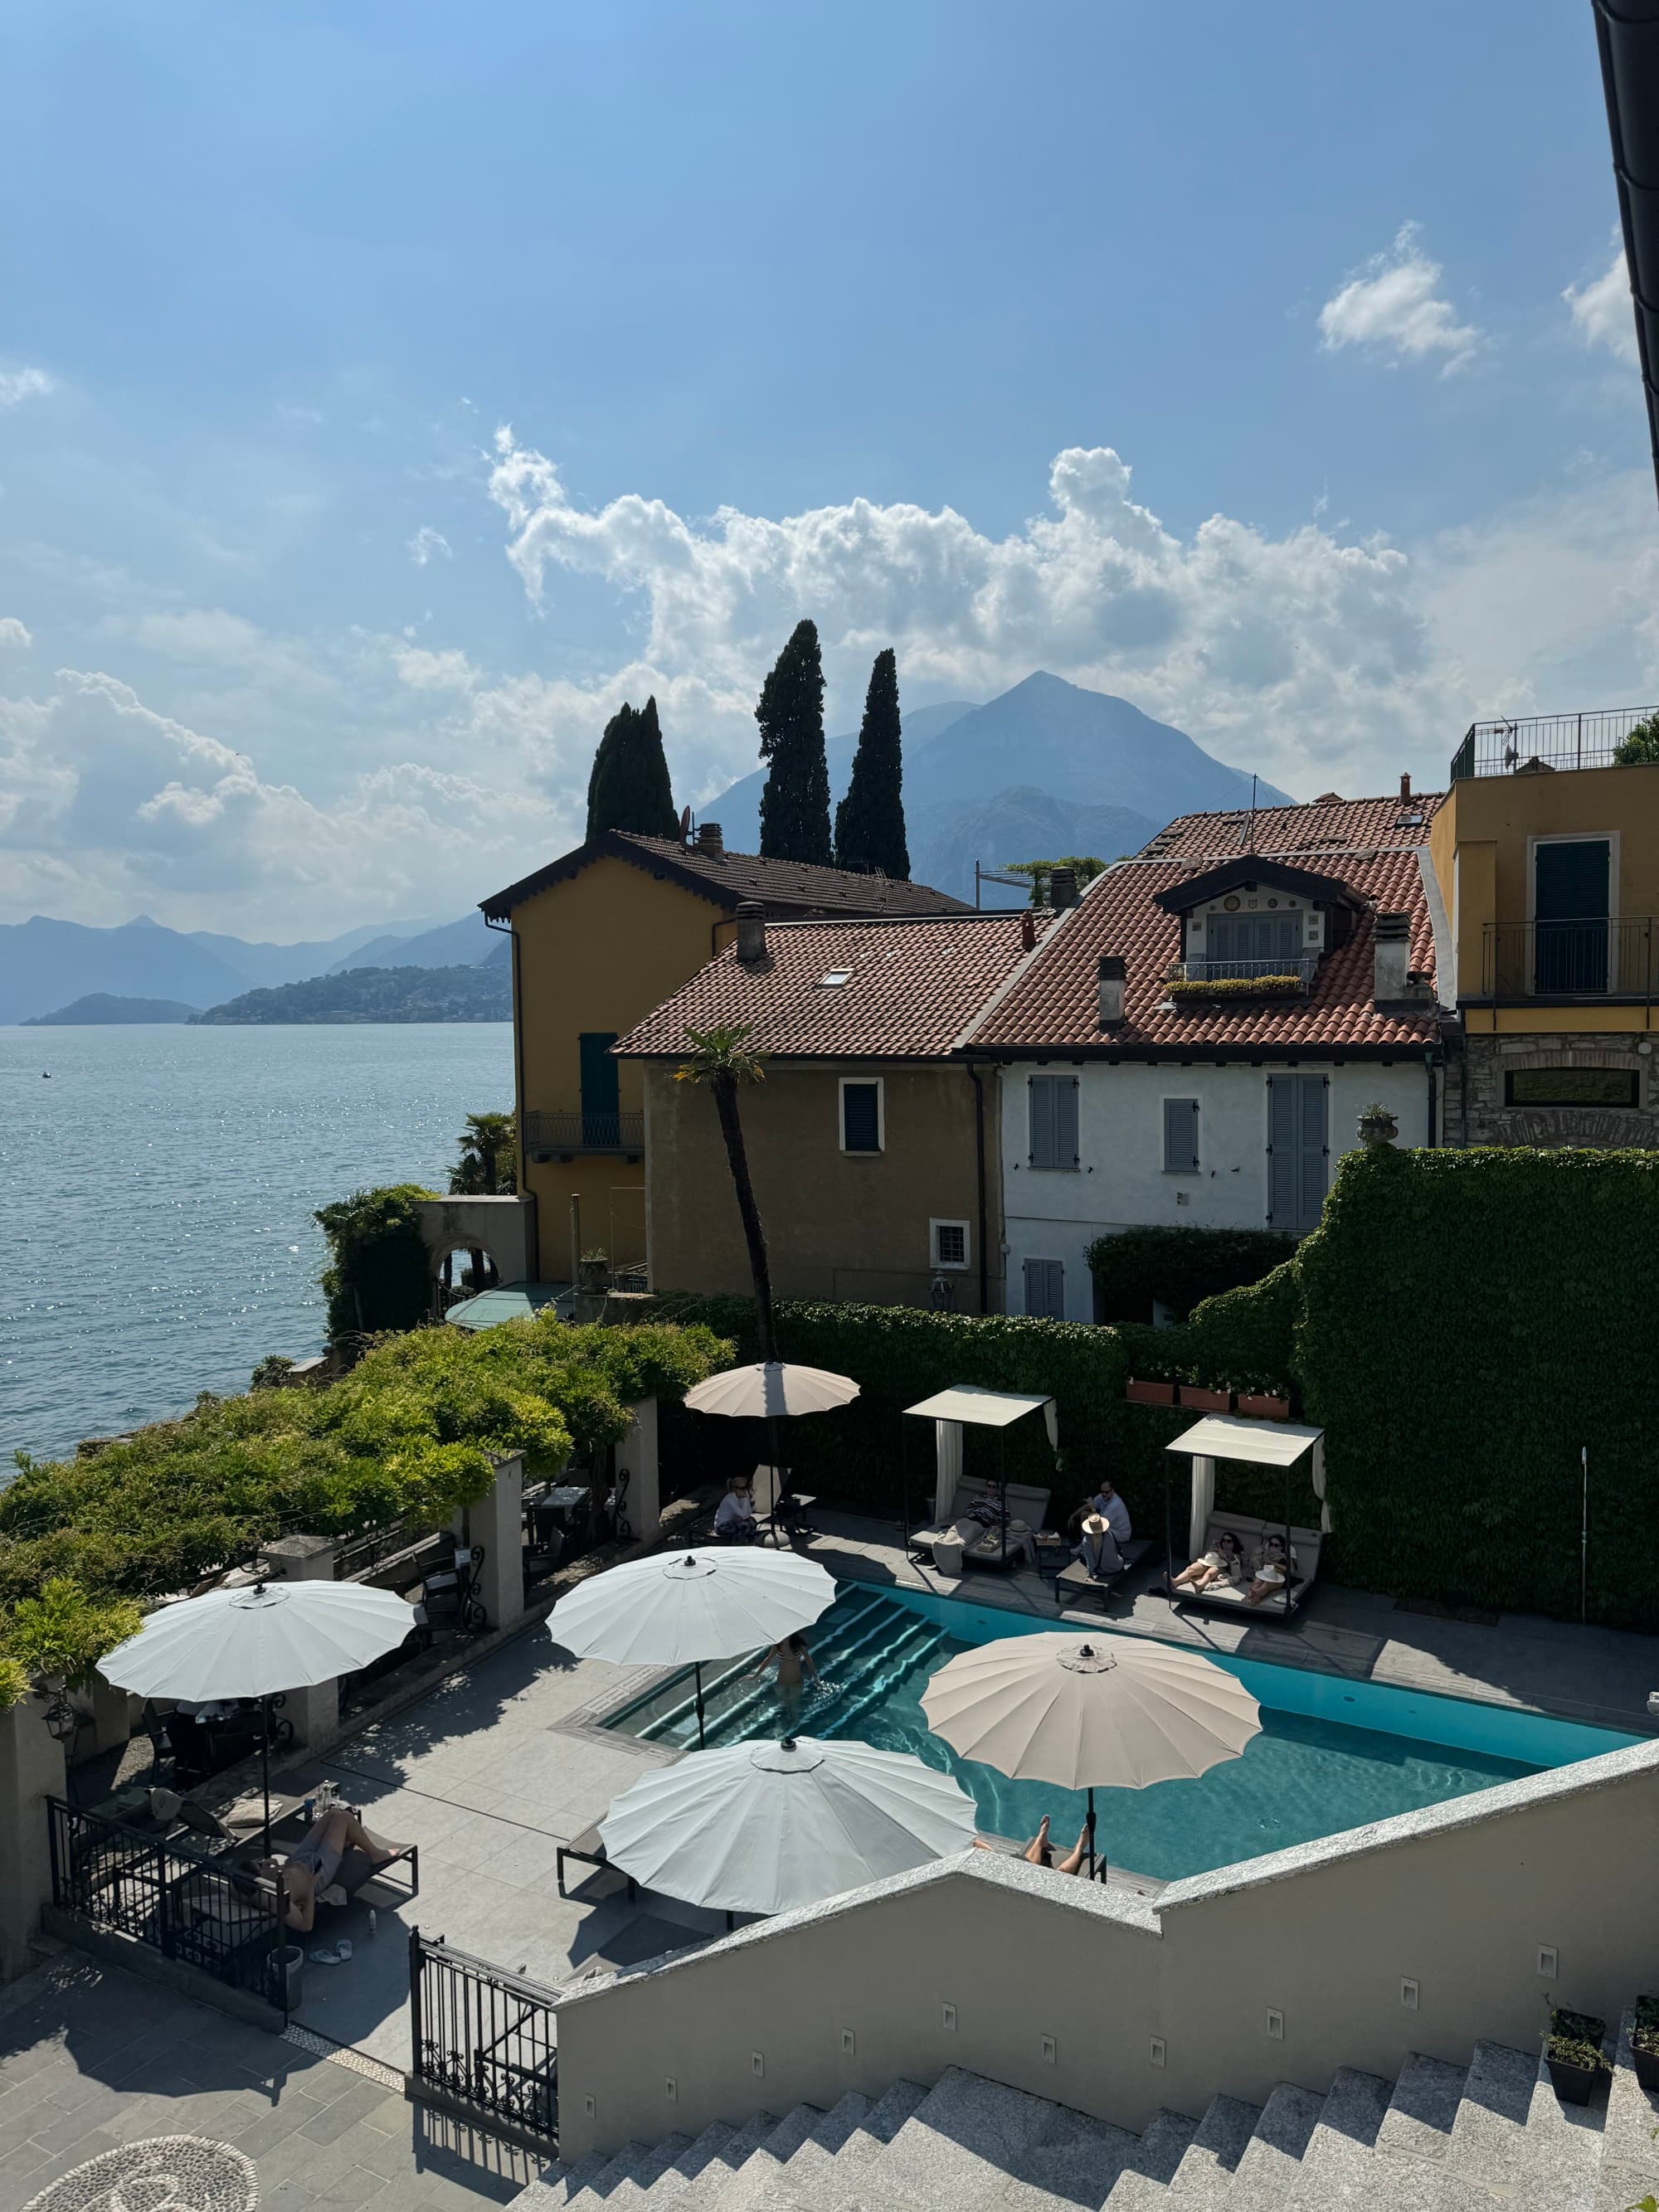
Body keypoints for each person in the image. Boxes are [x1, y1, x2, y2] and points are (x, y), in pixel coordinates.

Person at [259, 1806, 401, 1932]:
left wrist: (267, 1868)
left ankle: (346, 1837)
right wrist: (309, 1887)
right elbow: (306, 1925)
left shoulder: (250, 1882)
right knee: (344, 1817)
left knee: (333, 1813)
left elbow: (240, 1883)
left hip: (297, 1860)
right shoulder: (274, 1902)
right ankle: (375, 1853)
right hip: (318, 1870)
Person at [747, 1633, 820, 1719]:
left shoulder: (798, 1644)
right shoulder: (777, 1646)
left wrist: (816, 1678)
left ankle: (795, 1725)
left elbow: (808, 1660)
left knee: (794, 1705)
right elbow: (767, 1660)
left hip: (796, 1681)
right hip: (781, 1681)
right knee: (785, 1703)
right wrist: (755, 1675)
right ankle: (787, 1721)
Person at [1170, 1529, 1246, 1594]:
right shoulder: (1217, 1548)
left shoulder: (1235, 1553)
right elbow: (1202, 1556)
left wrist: (1223, 1555)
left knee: (1209, 1573)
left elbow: (1235, 1566)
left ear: (1234, 1543)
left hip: (1221, 1567)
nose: (1225, 1543)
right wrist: (1210, 1551)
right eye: (1223, 1540)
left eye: (1229, 1541)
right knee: (1190, 1569)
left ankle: (1199, 1586)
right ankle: (1176, 1581)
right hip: (1207, 1563)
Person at [1245, 1532, 1297, 1607]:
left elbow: (1291, 1571)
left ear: (1281, 1547)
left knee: (1266, 1585)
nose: (1273, 1547)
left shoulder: (1285, 1556)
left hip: (1278, 1577)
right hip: (1264, 1574)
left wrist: (1273, 1562)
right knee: (1257, 1582)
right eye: (1271, 1544)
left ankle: (1253, 1594)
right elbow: (1260, 1566)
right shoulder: (1267, 1553)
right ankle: (1254, 1597)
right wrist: (1262, 1559)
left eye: (1276, 1545)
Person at [713, 1478, 758, 1544]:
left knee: (752, 1521)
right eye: (742, 1488)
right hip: (722, 1526)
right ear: (734, 1489)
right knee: (745, 1525)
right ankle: (738, 1544)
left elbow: (749, 1512)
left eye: (746, 1487)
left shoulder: (742, 1496)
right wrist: (745, 1499)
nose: (745, 1490)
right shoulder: (730, 1499)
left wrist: (743, 1518)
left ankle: (750, 1540)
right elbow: (743, 1514)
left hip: (732, 1522)